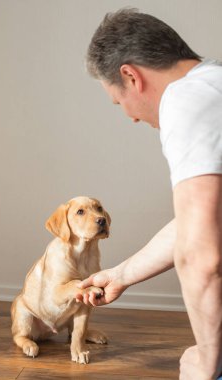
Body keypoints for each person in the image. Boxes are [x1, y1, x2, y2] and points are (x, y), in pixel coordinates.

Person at [75, 8, 222, 380]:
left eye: (118, 101)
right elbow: (197, 225)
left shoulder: (186, 101)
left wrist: (207, 361)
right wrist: (122, 274)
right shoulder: (213, 85)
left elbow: (201, 254)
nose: (131, 117)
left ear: (130, 76)